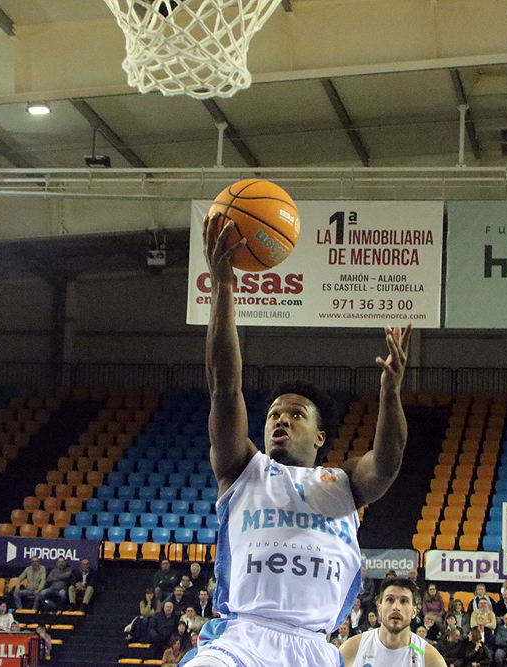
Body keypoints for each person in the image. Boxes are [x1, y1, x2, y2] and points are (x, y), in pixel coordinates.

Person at [183, 211, 413, 667]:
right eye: (272, 414)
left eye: (295, 414)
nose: (279, 421)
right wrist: (224, 287)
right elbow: (225, 387)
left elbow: (386, 463)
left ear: (320, 436)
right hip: (242, 639)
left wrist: (390, 393)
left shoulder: (342, 482)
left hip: (313, 647)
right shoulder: (241, 469)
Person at [339, 577, 447, 667]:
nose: (396, 607)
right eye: (390, 600)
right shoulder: (351, 649)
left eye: (404, 601)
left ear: (414, 612)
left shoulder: (430, 658)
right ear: (379, 608)